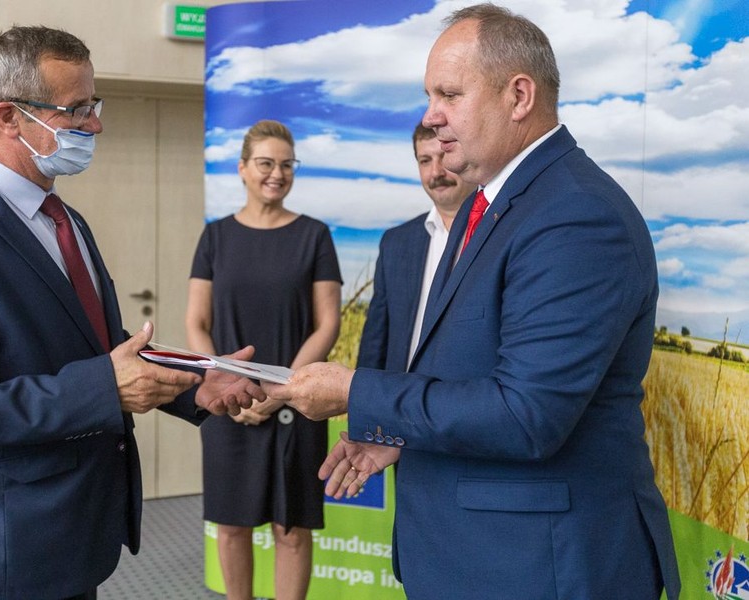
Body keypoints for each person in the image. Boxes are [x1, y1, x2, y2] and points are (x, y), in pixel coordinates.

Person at [263, 4, 681, 599]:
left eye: (449, 94)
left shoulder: (577, 216)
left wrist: (355, 392)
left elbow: (526, 414)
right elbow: (464, 367)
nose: (431, 117)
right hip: (470, 554)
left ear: (518, 96)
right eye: (430, 95)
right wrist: (395, 431)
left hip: (541, 566)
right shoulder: (487, 206)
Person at [0, 26, 263, 600]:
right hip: (8, 542)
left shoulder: (63, 219)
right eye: (78, 109)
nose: (96, 124)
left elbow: (99, 345)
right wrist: (103, 390)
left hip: (75, 530)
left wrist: (197, 383)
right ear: (9, 116)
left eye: (96, 104)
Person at [185, 119, 342, 600]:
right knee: (232, 527)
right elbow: (196, 323)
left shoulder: (314, 236)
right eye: (266, 163)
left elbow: (328, 325)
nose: (277, 173)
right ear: (243, 169)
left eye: (286, 164)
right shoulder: (215, 238)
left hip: (296, 406)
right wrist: (227, 388)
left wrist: (281, 393)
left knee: (291, 529)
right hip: (226, 406)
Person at [357, 123, 477, 373]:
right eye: (424, 161)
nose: (436, 172)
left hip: (467, 405)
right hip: (398, 405)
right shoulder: (395, 243)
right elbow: (375, 343)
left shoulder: (502, 231)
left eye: (444, 156)